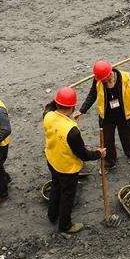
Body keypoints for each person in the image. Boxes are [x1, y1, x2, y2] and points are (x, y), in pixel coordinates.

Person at [43, 87, 106, 235]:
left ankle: (52, 215)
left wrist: (60, 96)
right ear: (72, 107)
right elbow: (83, 154)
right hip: (67, 168)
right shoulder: (72, 130)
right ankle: (65, 225)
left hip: (52, 161)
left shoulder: (48, 115)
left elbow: (50, 105)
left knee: (56, 187)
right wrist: (98, 153)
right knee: (67, 195)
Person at [77, 60, 130, 169]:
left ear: (110, 74)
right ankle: (110, 162)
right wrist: (82, 110)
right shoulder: (98, 80)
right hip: (107, 117)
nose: (101, 82)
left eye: (103, 79)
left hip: (125, 115)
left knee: (126, 135)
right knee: (107, 140)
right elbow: (92, 95)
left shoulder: (128, 77)